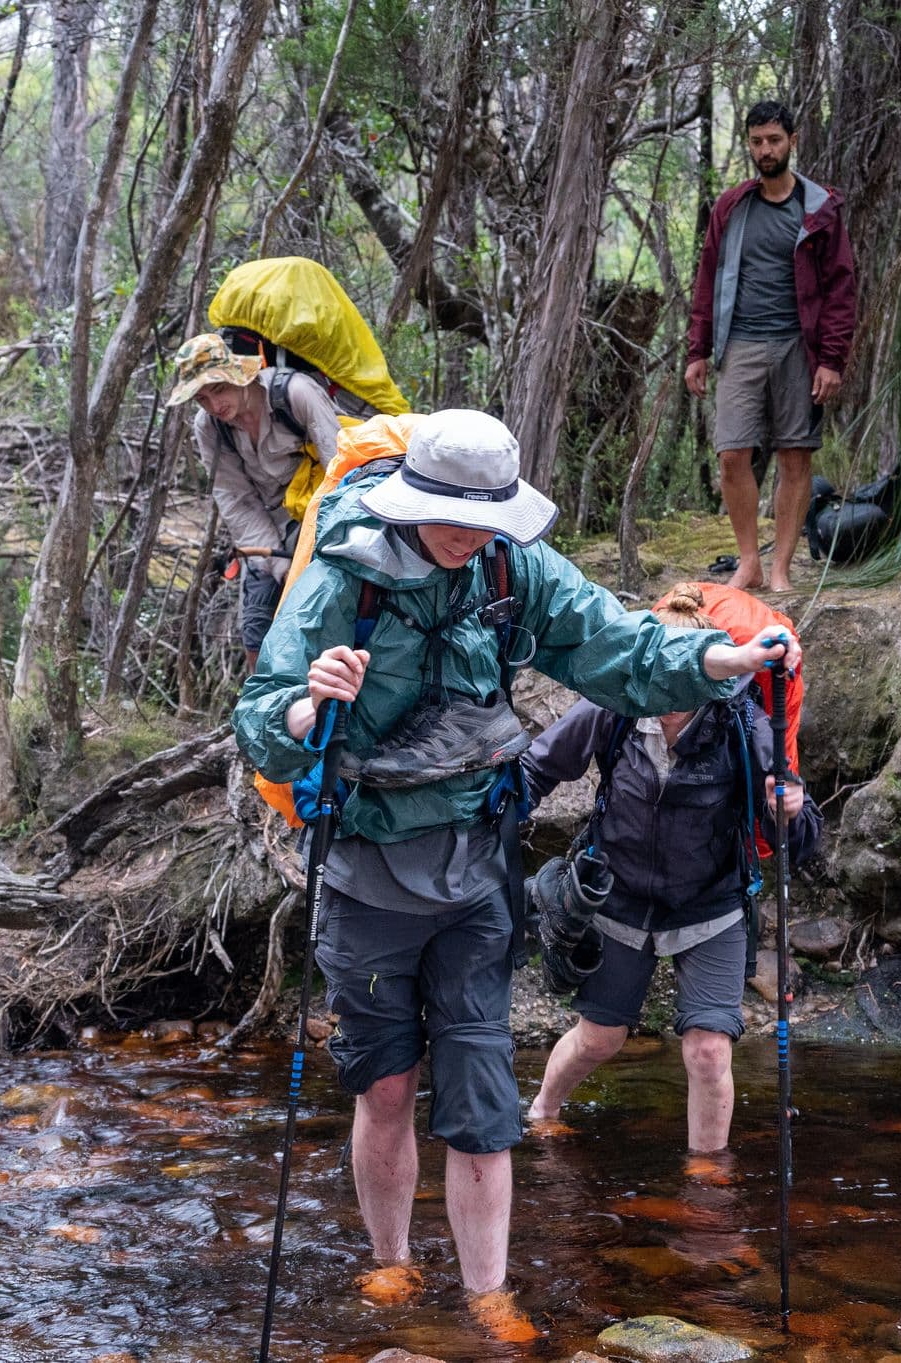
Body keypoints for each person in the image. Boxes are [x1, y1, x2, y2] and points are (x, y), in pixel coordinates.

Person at [231, 410, 800, 1333]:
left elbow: (620, 646)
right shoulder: (344, 578)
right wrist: (305, 706)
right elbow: (256, 718)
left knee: (485, 1093)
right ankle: (391, 1266)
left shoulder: (509, 566)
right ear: (412, 503)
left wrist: (722, 658)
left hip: (477, 874)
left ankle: (487, 1294)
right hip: (368, 871)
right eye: (456, 516)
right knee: (384, 1085)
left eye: (487, 517)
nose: (472, 535)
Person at [519, 584, 822, 1156]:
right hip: (620, 899)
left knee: (709, 1050)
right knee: (599, 1038)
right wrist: (486, 826)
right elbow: (537, 770)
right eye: (662, 679)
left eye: (686, 683)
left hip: (711, 904)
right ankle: (543, 1109)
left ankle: (706, 1177)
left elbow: (800, 841)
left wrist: (791, 809)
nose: (671, 696)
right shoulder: (613, 707)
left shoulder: (746, 724)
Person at [685, 100, 858, 594]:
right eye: (757, 141)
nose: (766, 150)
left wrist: (831, 360)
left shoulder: (819, 209)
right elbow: (708, 279)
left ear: (792, 141)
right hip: (739, 344)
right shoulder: (732, 208)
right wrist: (697, 350)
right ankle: (748, 562)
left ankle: (779, 568)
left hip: (797, 349)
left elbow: (842, 289)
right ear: (749, 144)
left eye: (774, 141)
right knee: (732, 453)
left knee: (795, 456)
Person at [166, 331, 345, 672]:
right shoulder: (209, 428)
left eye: (218, 389)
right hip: (269, 538)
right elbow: (237, 502)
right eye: (201, 398)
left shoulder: (296, 395)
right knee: (257, 631)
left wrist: (325, 547)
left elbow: (344, 471)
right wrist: (283, 568)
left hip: (325, 520)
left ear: (239, 375)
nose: (214, 406)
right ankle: (260, 715)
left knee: (331, 622)